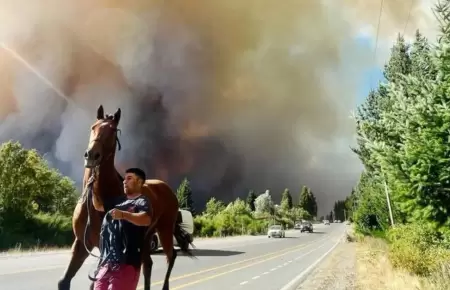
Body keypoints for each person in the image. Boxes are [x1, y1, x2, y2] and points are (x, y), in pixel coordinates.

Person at [92, 167, 152, 290]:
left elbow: (146, 219)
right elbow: (98, 206)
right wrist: (92, 186)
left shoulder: (142, 201)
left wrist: (124, 215)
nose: (124, 181)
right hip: (107, 263)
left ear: (140, 182)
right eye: (124, 179)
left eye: (129, 178)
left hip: (128, 262)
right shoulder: (117, 201)